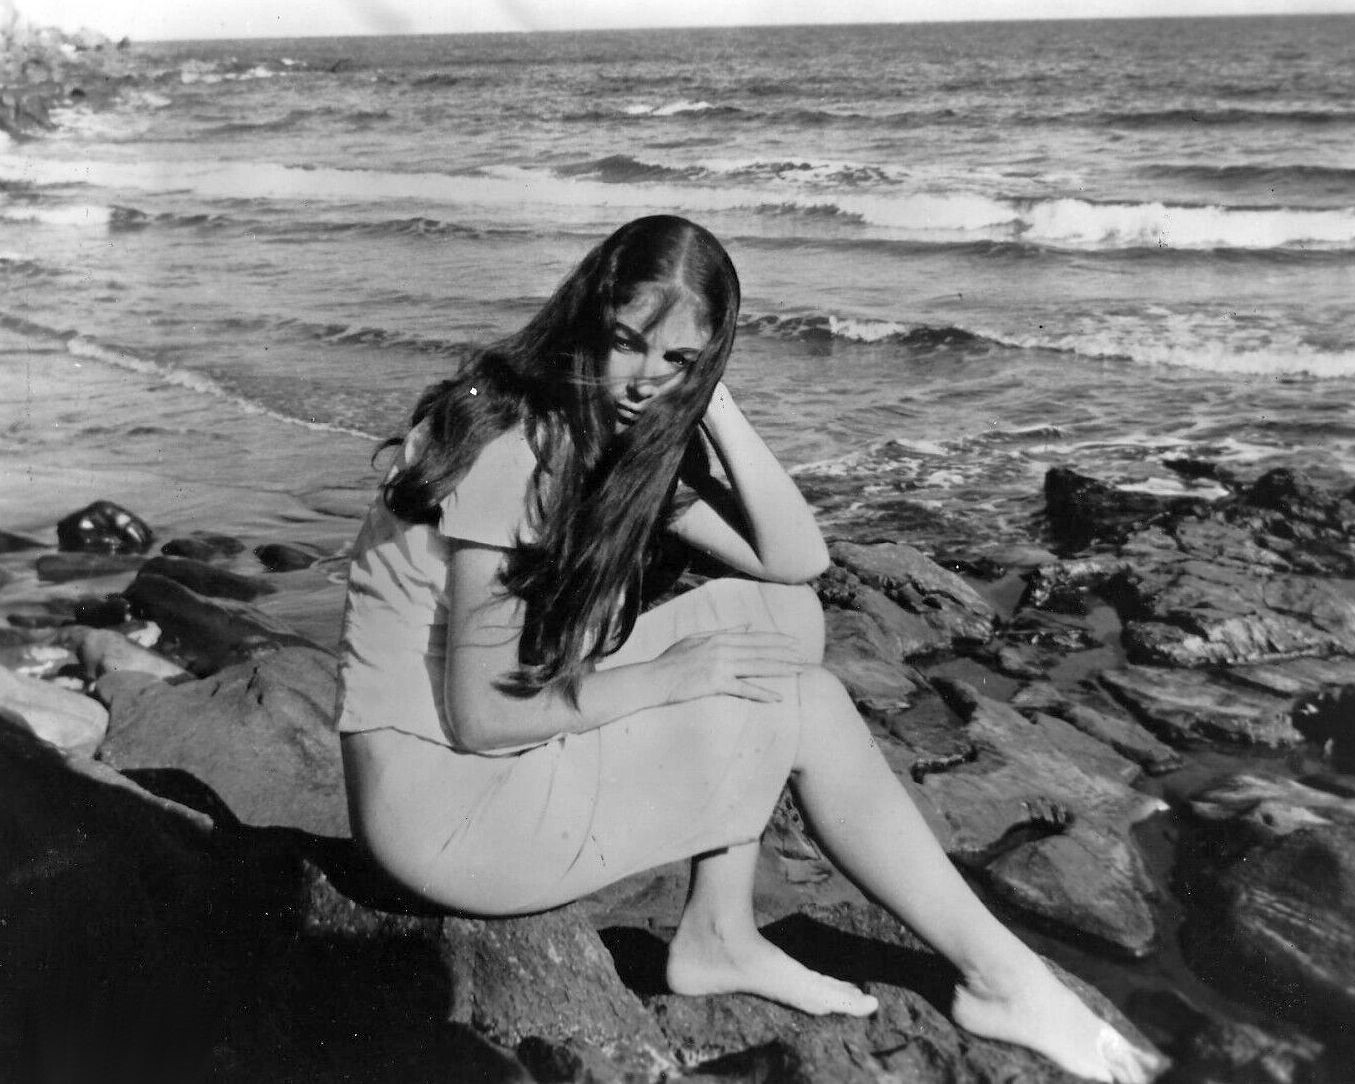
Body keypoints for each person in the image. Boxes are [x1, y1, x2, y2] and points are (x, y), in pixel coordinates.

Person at [336, 215, 1160, 1083]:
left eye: (678, 360)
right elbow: (481, 717)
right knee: (804, 704)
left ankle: (723, 930)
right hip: (443, 811)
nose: (644, 382)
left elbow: (796, 560)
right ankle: (999, 978)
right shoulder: (518, 447)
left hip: (473, 758)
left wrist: (713, 403)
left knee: (782, 619)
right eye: (626, 343)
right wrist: (672, 677)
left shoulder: (603, 431)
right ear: (586, 318)